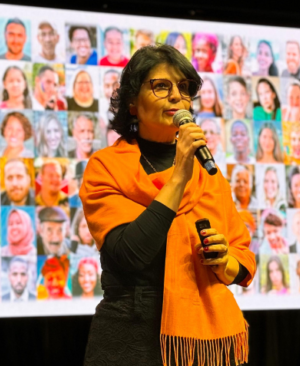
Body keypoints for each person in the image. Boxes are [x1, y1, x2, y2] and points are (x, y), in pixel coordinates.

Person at [79, 45, 254, 365]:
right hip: (129, 338)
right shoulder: (105, 167)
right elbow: (130, 254)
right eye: (162, 86)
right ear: (132, 103)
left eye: (184, 88)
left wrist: (223, 260)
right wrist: (179, 176)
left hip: (205, 345)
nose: (176, 96)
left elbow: (242, 263)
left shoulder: (209, 173)